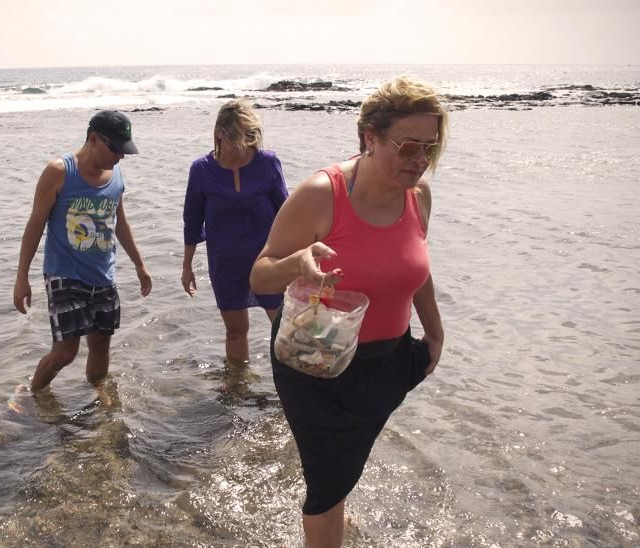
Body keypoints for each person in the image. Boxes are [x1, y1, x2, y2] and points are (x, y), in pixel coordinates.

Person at [249, 76, 447, 548]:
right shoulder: (323, 194)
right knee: (326, 484)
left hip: (387, 366)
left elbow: (416, 267)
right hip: (316, 366)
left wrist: (435, 333)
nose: (419, 160)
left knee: (344, 468)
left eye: (429, 148)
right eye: (407, 146)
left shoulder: (418, 196)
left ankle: (336, 511)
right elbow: (259, 275)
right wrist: (297, 264)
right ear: (370, 138)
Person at [13, 110, 152, 393]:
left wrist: (139, 264)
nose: (120, 156)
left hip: (103, 276)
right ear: (93, 139)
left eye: (124, 150)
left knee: (101, 344)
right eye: (115, 149)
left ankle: (100, 402)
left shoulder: (116, 176)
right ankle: (35, 394)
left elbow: (120, 222)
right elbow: (35, 224)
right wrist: (21, 277)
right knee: (65, 352)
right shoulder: (60, 172)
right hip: (64, 274)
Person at [181, 99, 289, 365]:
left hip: (267, 259)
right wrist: (187, 265)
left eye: (250, 138)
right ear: (219, 133)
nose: (244, 147)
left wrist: (297, 257)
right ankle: (239, 386)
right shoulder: (202, 170)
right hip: (225, 263)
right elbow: (192, 220)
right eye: (237, 140)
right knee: (236, 330)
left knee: (285, 329)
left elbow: (287, 212)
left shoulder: (267, 163)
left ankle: (293, 382)